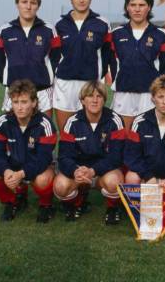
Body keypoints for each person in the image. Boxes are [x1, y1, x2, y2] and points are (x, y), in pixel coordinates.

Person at [0, 79, 57, 223]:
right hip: (12, 165)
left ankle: (46, 205)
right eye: (15, 102)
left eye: (24, 102)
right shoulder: (1, 122)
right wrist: (6, 171)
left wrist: (22, 174)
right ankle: (12, 201)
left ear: (34, 103)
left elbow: (43, 159)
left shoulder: (45, 125)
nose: (19, 107)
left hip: (36, 166)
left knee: (43, 179)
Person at [54, 81, 126, 224]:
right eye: (90, 96)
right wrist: (75, 171)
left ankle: (112, 208)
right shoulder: (72, 122)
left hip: (103, 172)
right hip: (79, 173)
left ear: (104, 99)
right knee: (60, 186)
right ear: (82, 100)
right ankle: (78, 202)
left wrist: (93, 170)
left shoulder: (115, 120)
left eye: (99, 96)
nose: (94, 100)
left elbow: (116, 157)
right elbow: (64, 156)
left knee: (114, 182)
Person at [110, 0, 165, 129]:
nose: (137, 9)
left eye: (141, 5)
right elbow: (111, 63)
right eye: (133, 5)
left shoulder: (160, 34)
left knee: (148, 136)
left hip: (149, 94)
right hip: (124, 92)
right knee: (123, 135)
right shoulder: (117, 33)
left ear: (149, 7)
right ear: (127, 7)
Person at [53, 0, 113, 131]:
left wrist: (100, 76)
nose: (81, 0)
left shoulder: (102, 24)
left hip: (90, 84)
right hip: (64, 84)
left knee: (89, 130)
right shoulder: (60, 25)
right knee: (66, 132)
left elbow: (108, 54)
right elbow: (54, 56)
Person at [0, 0, 61, 117]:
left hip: (42, 92)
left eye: (33, 3)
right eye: (24, 2)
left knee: (42, 134)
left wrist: (47, 78)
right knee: (14, 135)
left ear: (38, 6)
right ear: (17, 4)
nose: (28, 6)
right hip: (14, 92)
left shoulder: (49, 30)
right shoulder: (4, 31)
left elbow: (56, 59)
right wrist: (7, 80)